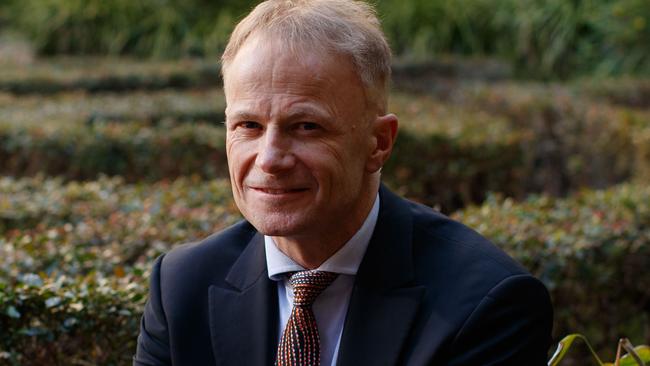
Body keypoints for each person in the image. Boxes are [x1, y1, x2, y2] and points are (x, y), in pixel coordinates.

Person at [134, 0, 554, 365]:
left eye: (306, 126)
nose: (270, 159)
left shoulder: (485, 303)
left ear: (378, 142)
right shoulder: (181, 287)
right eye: (248, 125)